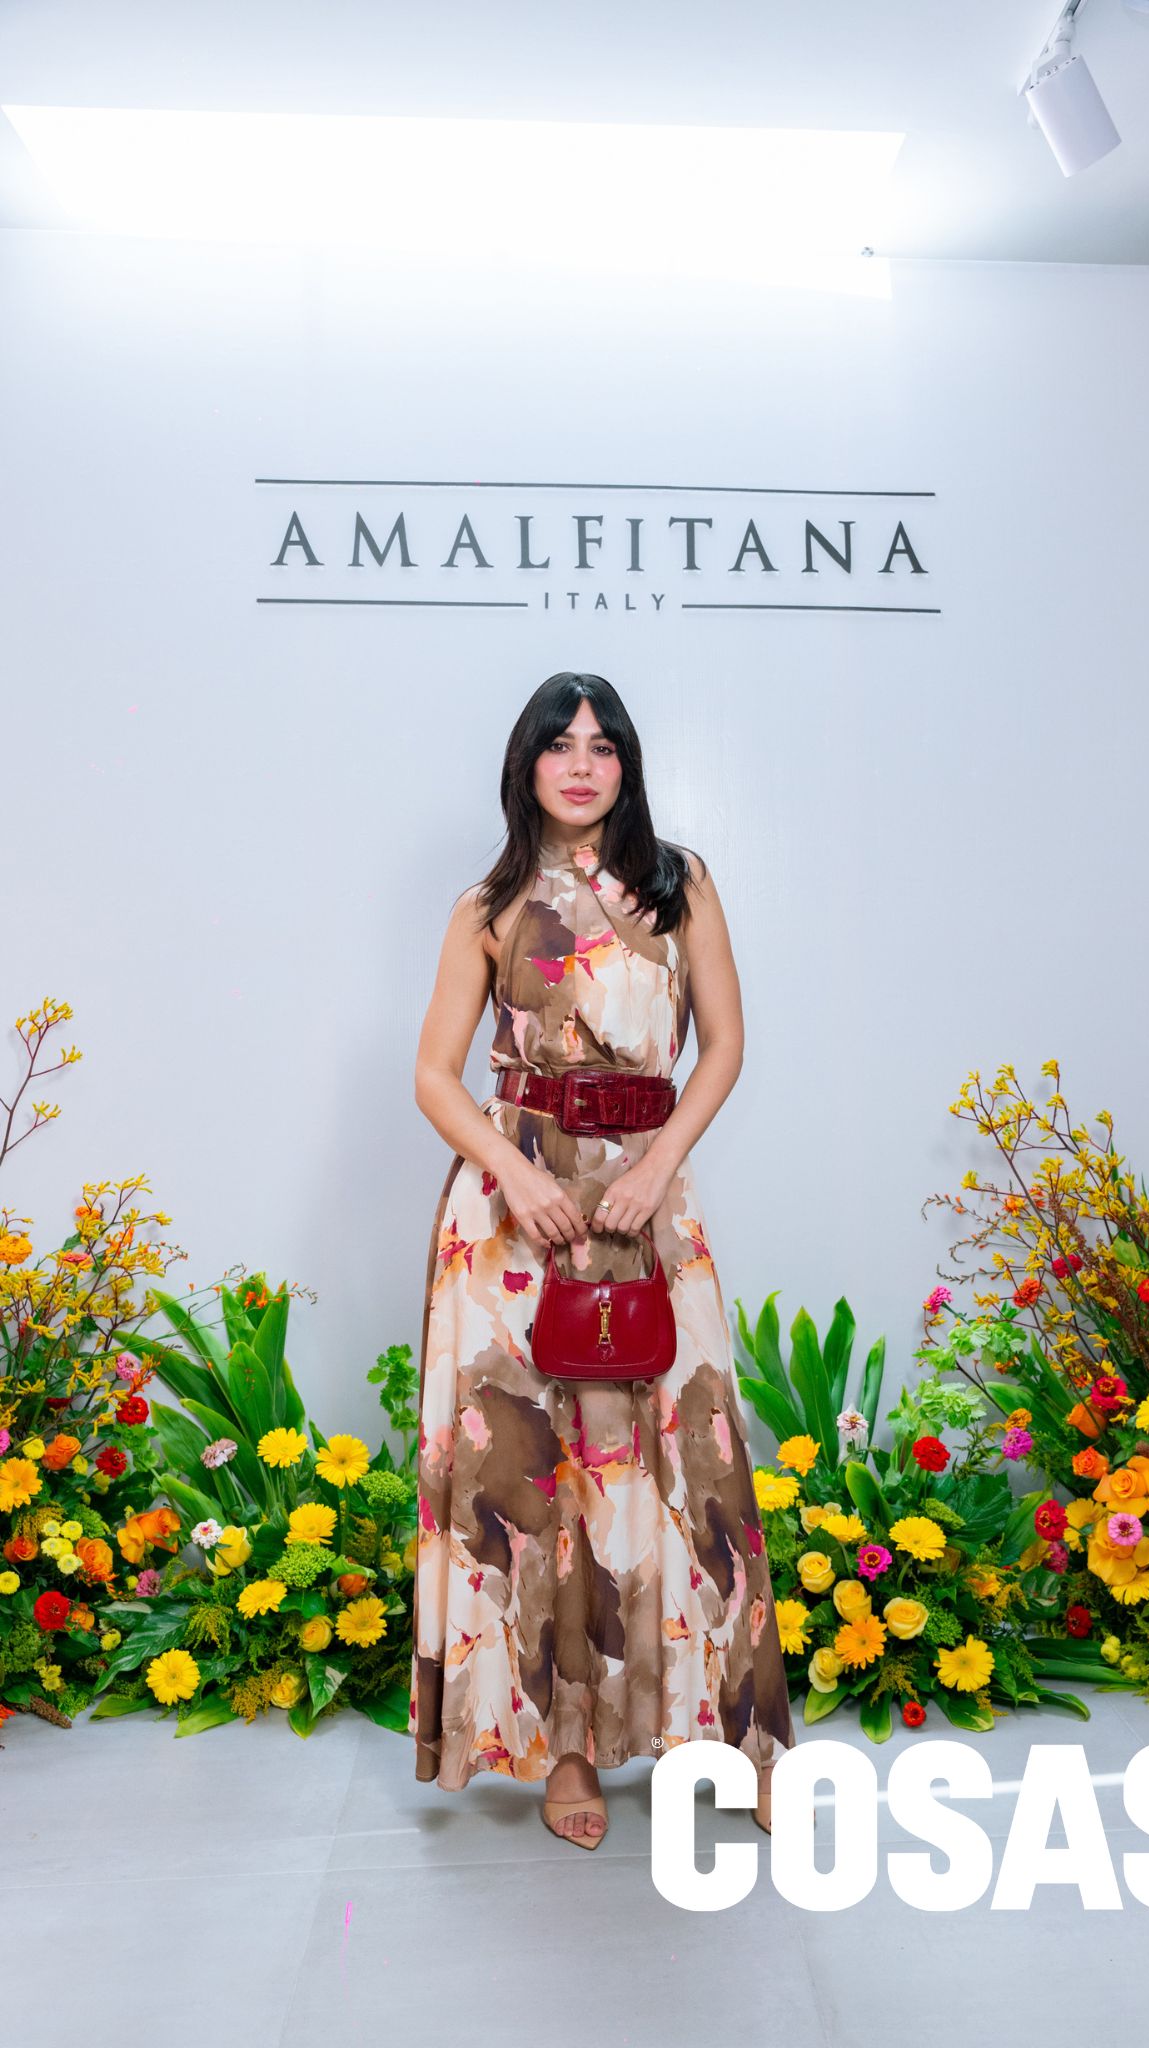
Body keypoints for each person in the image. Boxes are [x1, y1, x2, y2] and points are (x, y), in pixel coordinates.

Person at [408, 670, 795, 1848]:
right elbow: (434, 1073)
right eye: (558, 744)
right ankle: (565, 1749)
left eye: (603, 745)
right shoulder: (488, 903)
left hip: (644, 1197)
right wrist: (514, 1173)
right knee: (542, 1478)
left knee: (696, 1459)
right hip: (514, 1214)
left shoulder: (680, 884)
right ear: (525, 765)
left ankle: (743, 1740)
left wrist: (657, 1166)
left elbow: (723, 1045)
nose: (581, 765)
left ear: (627, 765)